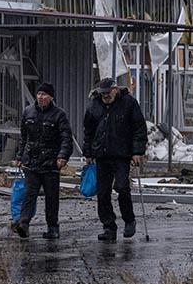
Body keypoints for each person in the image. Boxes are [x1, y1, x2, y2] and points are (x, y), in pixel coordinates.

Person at [83, 77, 147, 242]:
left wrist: (137, 151)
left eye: (108, 92)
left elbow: (139, 128)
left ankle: (129, 220)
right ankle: (109, 227)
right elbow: (88, 131)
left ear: (115, 90)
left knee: (122, 187)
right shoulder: (94, 105)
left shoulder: (128, 103)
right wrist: (88, 153)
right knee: (103, 193)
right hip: (102, 156)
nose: (105, 96)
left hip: (121, 155)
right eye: (103, 93)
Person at [11, 82, 73, 240]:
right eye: (39, 94)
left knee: (51, 197)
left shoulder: (59, 115)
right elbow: (24, 137)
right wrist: (19, 156)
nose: (41, 97)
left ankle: (53, 227)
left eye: (44, 94)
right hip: (31, 162)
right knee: (29, 194)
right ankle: (23, 224)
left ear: (51, 97)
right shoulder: (28, 112)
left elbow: (66, 138)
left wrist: (62, 156)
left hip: (51, 163)